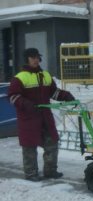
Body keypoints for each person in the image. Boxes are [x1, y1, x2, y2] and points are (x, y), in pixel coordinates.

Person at [8, 48, 75, 182]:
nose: (35, 60)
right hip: (28, 119)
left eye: (37, 57)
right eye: (32, 57)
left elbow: (53, 92)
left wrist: (66, 96)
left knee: (52, 142)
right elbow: (13, 96)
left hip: (45, 117)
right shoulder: (20, 78)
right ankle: (31, 173)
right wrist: (27, 104)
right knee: (29, 147)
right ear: (26, 59)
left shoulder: (46, 75)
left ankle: (50, 171)